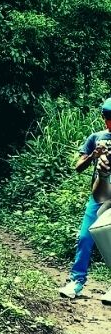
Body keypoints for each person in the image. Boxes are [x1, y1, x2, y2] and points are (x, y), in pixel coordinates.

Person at [58, 98, 111, 299]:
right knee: (84, 238)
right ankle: (76, 282)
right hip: (98, 196)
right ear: (103, 117)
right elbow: (78, 167)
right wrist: (92, 156)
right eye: (108, 118)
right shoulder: (95, 137)